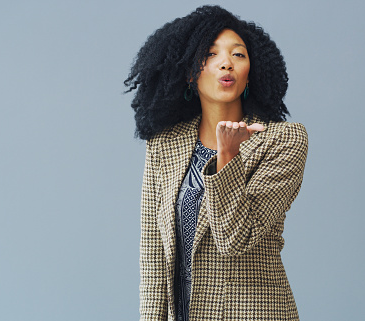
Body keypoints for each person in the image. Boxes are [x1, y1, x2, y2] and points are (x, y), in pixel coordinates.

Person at [124, 5, 308, 321]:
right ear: (189, 73)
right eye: (210, 54)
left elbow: (236, 240)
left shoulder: (284, 140)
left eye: (238, 55)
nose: (226, 63)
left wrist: (227, 157)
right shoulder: (164, 144)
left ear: (252, 71)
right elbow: (153, 256)